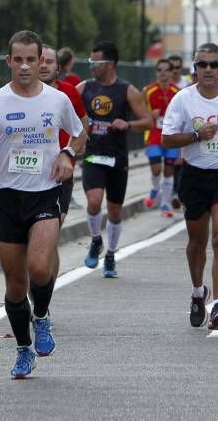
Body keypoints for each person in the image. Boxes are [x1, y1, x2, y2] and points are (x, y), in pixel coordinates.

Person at [0, 30, 86, 379]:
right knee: (15, 284)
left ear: (40, 62)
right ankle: (23, 348)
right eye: (17, 60)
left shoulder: (57, 100)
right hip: (8, 197)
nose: (24, 66)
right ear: (9, 62)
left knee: (38, 267)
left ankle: (43, 315)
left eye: (30, 59)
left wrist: (66, 153)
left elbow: (80, 135)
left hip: (45, 192)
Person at [161, 43, 218, 330]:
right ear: (195, 68)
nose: (209, 70)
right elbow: (166, 139)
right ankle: (199, 292)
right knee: (197, 243)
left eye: (214, 64)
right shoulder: (183, 100)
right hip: (194, 175)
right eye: (203, 64)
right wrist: (195, 135)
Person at [78, 40, 153, 278]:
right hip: (92, 155)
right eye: (90, 62)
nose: (91, 67)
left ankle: (110, 254)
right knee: (93, 201)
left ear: (110, 64)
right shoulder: (84, 88)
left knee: (115, 211)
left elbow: (149, 121)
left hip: (117, 157)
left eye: (95, 62)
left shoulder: (127, 90)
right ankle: (95, 239)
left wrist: (128, 123)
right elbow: (64, 109)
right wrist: (81, 127)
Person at [39, 44, 89, 228]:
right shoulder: (18, 95)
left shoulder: (68, 92)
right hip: (31, 171)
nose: (44, 65)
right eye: (40, 61)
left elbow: (84, 121)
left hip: (62, 169)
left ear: (58, 67)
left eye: (49, 62)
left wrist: (73, 148)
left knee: (53, 229)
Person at [142, 59, 180, 217]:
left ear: (172, 72)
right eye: (160, 70)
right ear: (156, 72)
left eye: (166, 70)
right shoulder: (148, 90)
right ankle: (155, 188)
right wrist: (150, 115)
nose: (163, 73)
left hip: (172, 136)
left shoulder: (178, 92)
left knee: (169, 170)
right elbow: (140, 113)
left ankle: (165, 204)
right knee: (156, 168)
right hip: (154, 134)